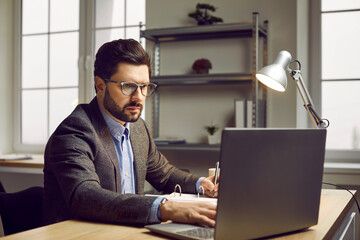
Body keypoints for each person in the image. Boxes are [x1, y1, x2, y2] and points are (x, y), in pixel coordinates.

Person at [43, 39, 219, 227]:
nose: (139, 97)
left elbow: (165, 175)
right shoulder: (74, 131)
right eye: (128, 86)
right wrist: (164, 207)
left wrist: (202, 184)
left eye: (144, 86)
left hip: (126, 231)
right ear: (100, 85)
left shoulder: (137, 128)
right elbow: (85, 196)